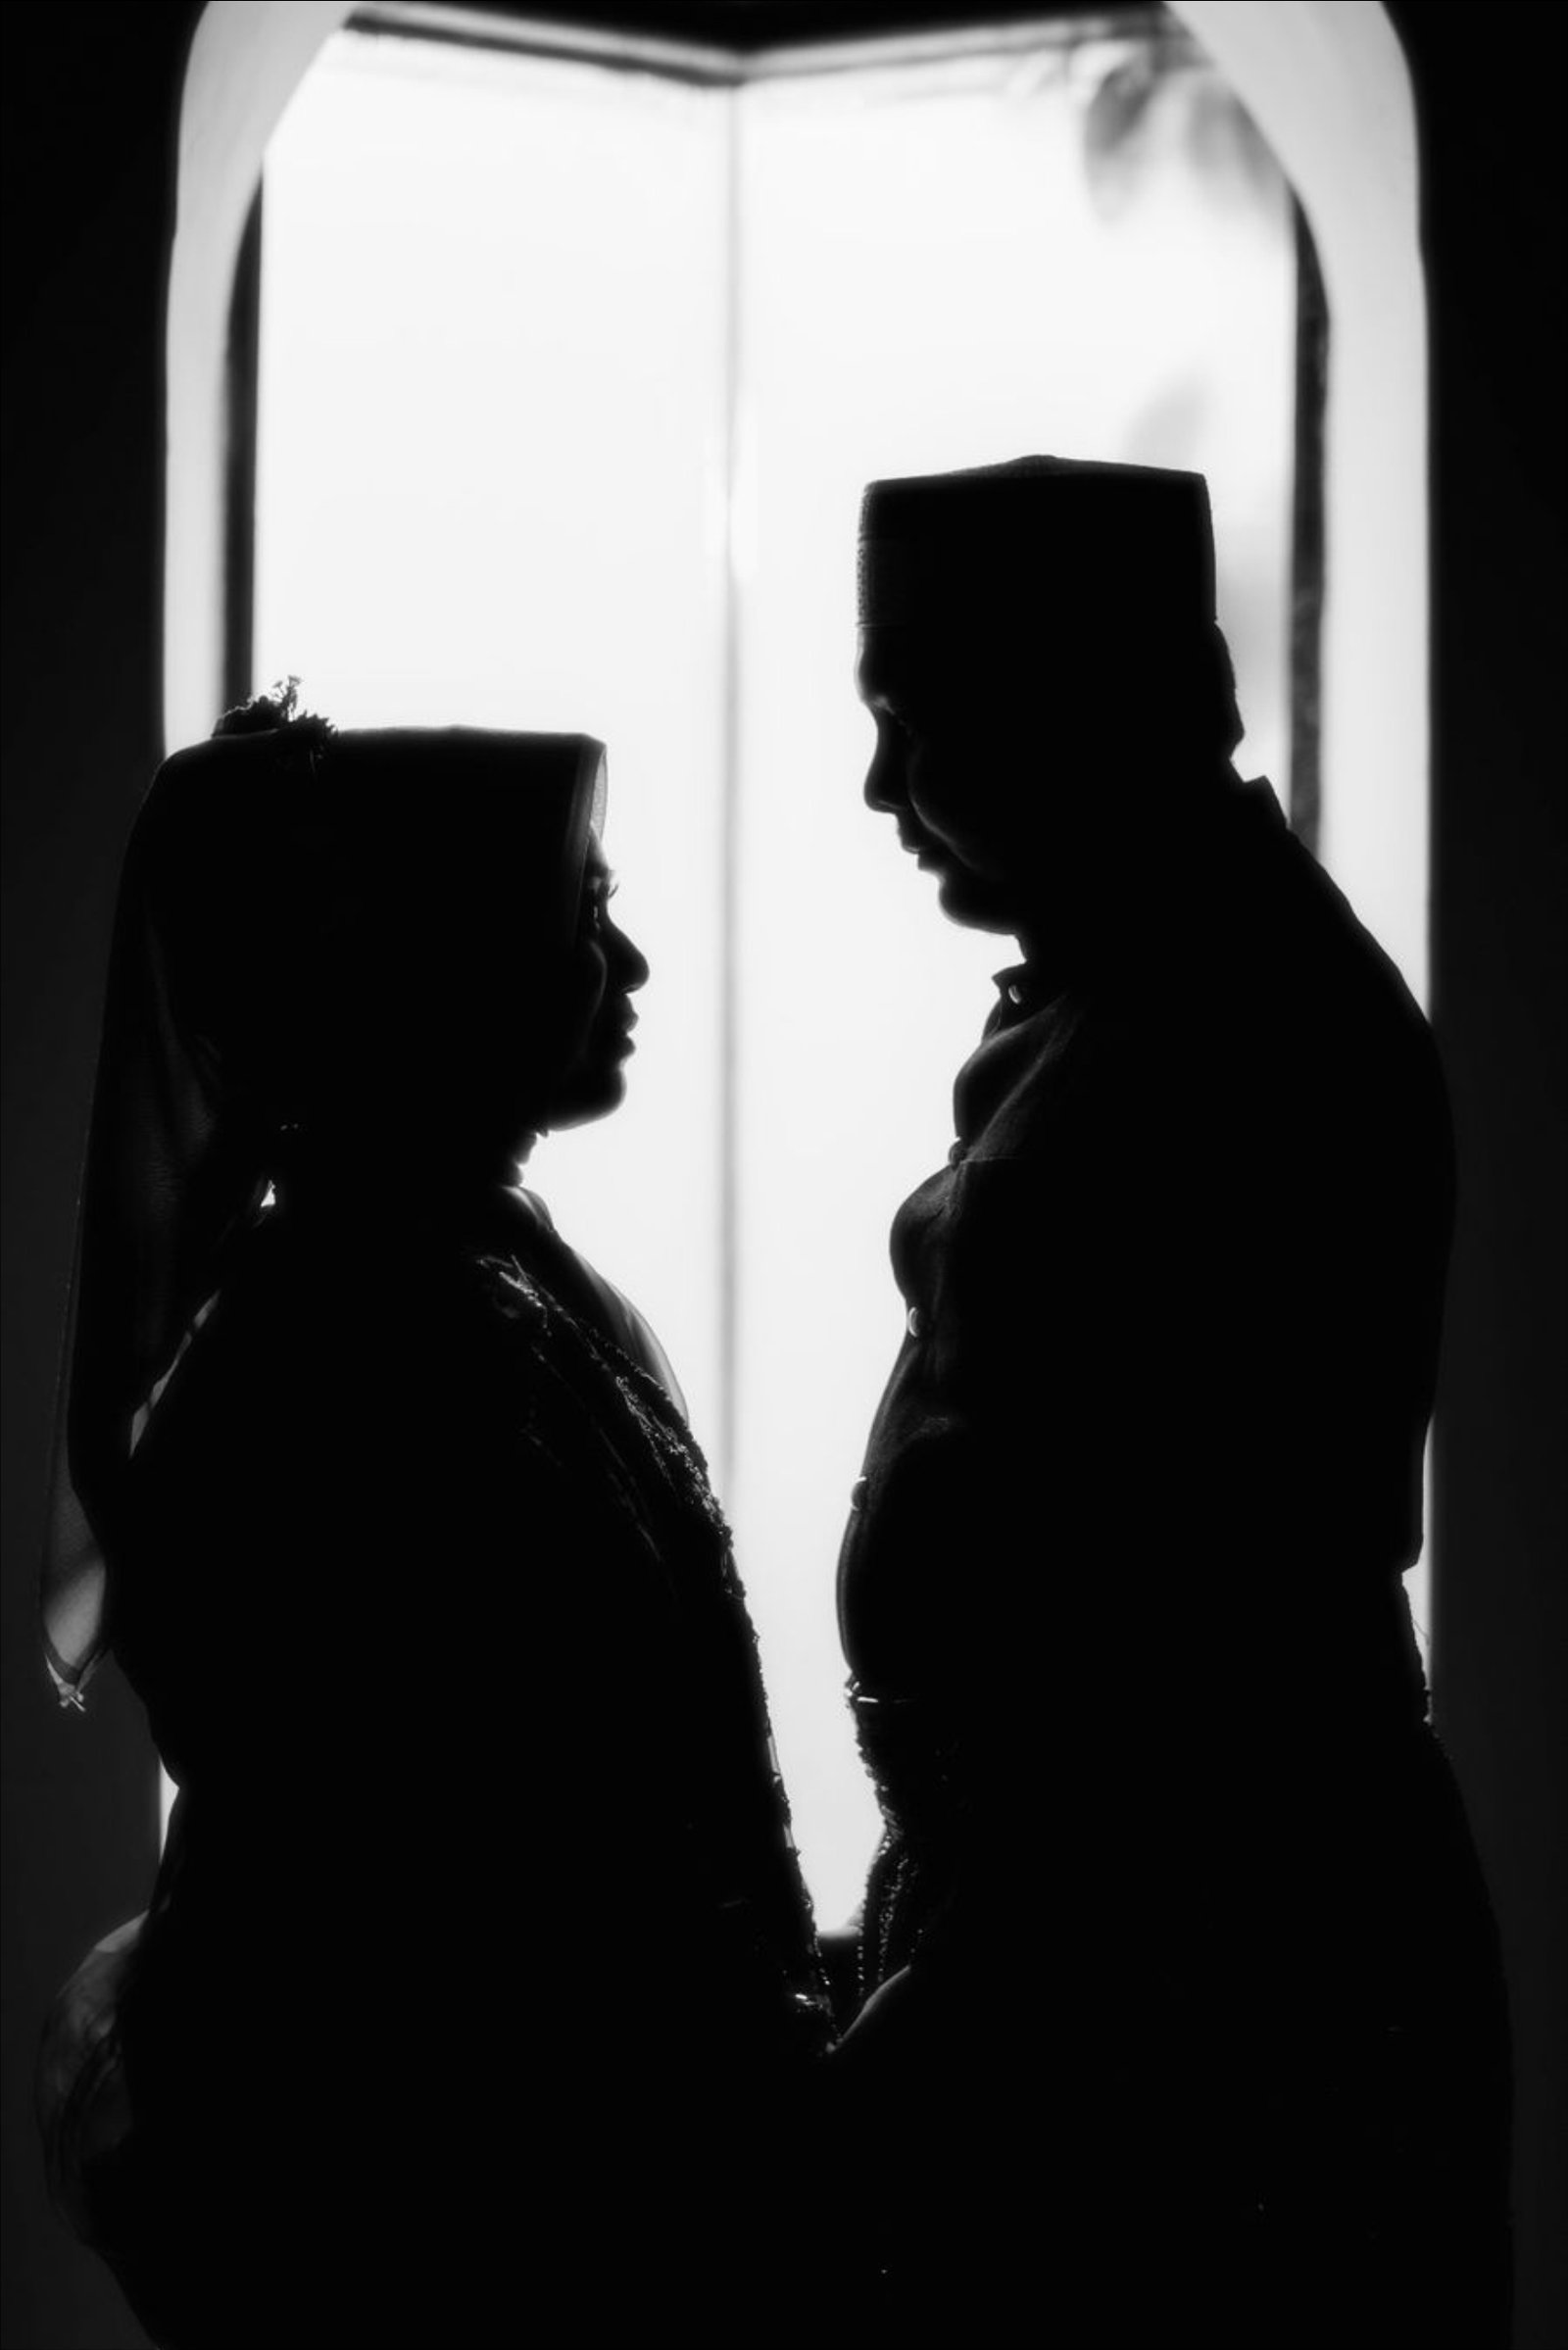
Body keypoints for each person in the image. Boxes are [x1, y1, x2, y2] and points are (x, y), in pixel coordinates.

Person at [38, 688, 828, 2350]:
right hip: (462, 2211)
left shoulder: (468, 1279)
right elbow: (471, 1864)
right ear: (437, 965)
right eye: (584, 916)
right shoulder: (371, 1331)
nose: (630, 968)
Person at [829, 459, 1512, 2349]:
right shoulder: (1159, 983)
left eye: (914, 720)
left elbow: (1187, 1686)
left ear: (1079, 702)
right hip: (1114, 1970)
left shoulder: (1240, 1034)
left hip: (1200, 2012)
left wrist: (943, 2010)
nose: (879, 788)